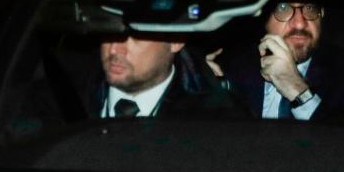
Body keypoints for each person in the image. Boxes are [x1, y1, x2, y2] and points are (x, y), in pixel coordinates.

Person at [211, 0, 344, 120]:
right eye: (283, 8)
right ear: (264, 19)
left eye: (310, 8)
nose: (299, 24)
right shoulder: (231, 67)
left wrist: (297, 90)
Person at [93, 33, 242, 118]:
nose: (114, 50)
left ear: (175, 41)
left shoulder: (218, 120)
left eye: (135, 37)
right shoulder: (73, 95)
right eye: (109, 32)